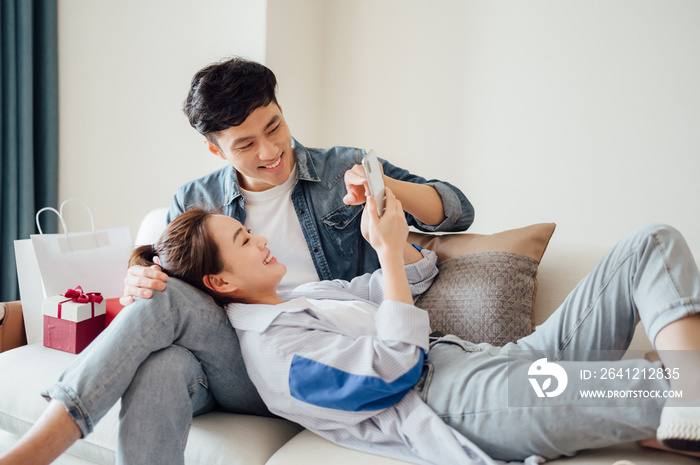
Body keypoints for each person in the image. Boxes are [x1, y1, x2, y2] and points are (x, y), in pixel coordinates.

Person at [3, 189, 700, 465]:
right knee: (640, 383)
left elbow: (404, 280)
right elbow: (394, 367)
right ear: (219, 282)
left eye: (249, 230)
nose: (261, 240)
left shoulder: (307, 292)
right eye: (244, 242)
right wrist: (392, 261)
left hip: (499, 354)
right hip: (453, 398)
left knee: (650, 240)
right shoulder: (271, 352)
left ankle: (687, 397)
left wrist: (388, 230)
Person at [116, 57, 476, 460]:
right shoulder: (195, 201)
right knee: (161, 365)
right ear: (214, 149)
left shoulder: (341, 166)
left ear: (282, 111)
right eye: (245, 144)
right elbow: (181, 294)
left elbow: (458, 209)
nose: (270, 151)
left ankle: (67, 413)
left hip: (329, 354)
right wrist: (141, 279)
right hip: (243, 360)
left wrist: (383, 186)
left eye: (273, 127)